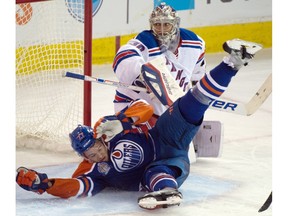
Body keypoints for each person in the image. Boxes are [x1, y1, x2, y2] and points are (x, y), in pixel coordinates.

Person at [16, 39, 262, 210]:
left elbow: (144, 107)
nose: (97, 153)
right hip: (167, 164)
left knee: (192, 102)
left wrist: (122, 122)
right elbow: (77, 188)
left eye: (96, 146)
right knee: (154, 173)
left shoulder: (106, 127)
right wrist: (46, 185)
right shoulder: (91, 170)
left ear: (98, 137)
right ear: (85, 157)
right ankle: (167, 192)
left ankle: (234, 61)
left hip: (164, 137)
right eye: (90, 153)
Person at [113, 2, 206, 119]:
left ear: (176, 24)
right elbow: (123, 56)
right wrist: (144, 76)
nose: (161, 30)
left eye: (166, 24)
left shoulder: (195, 43)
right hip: (132, 106)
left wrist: (196, 100)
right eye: (157, 24)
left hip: (168, 114)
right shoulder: (145, 40)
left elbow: (198, 76)